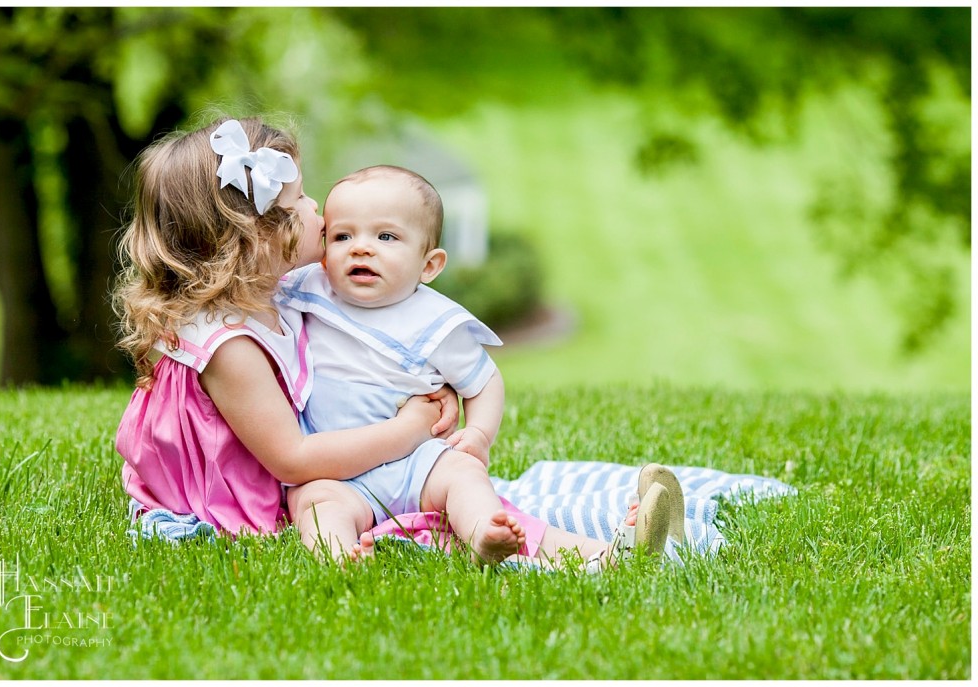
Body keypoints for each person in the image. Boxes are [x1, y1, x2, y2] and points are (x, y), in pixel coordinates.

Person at [276, 165, 685, 568]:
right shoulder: (311, 289)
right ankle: (340, 557)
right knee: (316, 503)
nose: (361, 247)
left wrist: (479, 435)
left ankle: (486, 534)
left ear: (430, 265)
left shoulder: (436, 322)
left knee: (463, 475)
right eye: (343, 235)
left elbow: (484, 381)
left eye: (386, 236)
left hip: (414, 464)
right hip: (333, 470)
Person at [114, 118, 458, 538]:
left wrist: (424, 389)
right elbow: (292, 459)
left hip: (299, 460)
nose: (316, 208)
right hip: (231, 490)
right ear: (254, 237)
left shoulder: (281, 290)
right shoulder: (228, 346)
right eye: (299, 199)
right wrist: (407, 430)